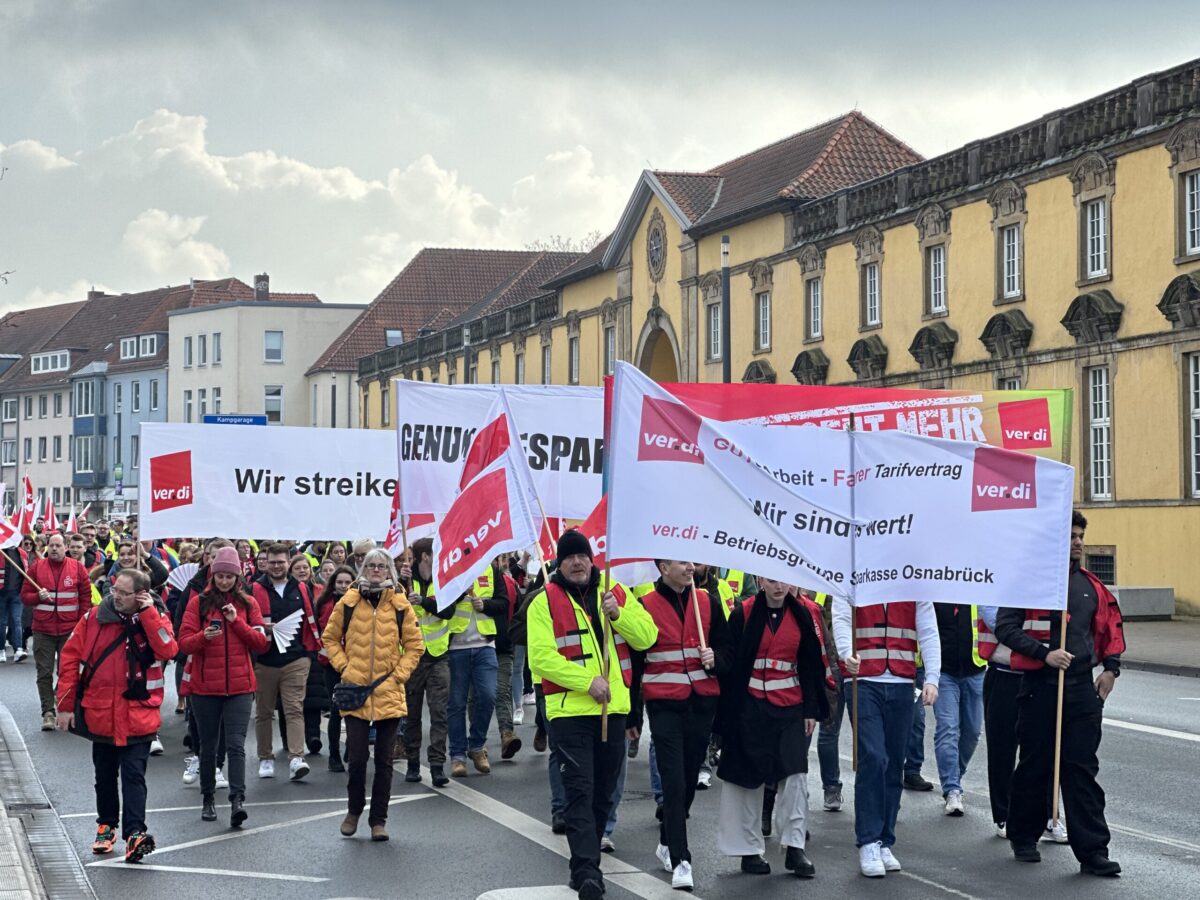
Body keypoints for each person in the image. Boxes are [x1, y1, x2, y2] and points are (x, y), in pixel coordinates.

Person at [527, 530, 658, 900]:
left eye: (582, 555)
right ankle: (588, 872)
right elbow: (541, 658)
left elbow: (647, 637)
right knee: (579, 793)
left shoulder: (614, 590)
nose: (577, 562)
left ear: (591, 558)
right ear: (559, 563)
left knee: (604, 794)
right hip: (570, 714)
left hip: (613, 711)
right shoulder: (544, 602)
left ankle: (583, 863)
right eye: (569, 557)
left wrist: (620, 617)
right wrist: (588, 682)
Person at [995, 511, 1124, 876]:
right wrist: (1044, 654)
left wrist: (1111, 669)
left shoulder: (1090, 586)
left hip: (1082, 689)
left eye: (1081, 536)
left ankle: (1093, 852)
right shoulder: (1028, 581)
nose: (1079, 542)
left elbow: (1110, 627)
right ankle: (1023, 836)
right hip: (1040, 688)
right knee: (1036, 765)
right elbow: (1006, 627)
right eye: (1071, 536)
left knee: (1080, 768)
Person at [55, 567, 178, 863]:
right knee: (105, 776)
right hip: (102, 713)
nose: (116, 597)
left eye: (123, 593)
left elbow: (168, 649)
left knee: (134, 776)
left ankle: (135, 834)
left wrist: (149, 614)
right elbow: (70, 659)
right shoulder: (94, 618)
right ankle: (107, 825)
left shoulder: (155, 617)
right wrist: (65, 706)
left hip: (139, 714)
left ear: (141, 595)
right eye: (114, 591)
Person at [716, 577, 829, 880]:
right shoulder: (743, 613)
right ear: (759, 581)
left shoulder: (803, 614)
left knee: (795, 775)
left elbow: (810, 665)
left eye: (784, 580)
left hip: (790, 706)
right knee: (747, 778)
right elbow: (731, 661)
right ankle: (749, 850)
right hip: (750, 705)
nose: (779, 587)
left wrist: (810, 710)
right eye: (771, 580)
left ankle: (794, 848)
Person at [635, 559, 732, 890]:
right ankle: (681, 859)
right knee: (674, 781)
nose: (691, 567)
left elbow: (729, 650)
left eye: (692, 561)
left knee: (690, 779)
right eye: (682, 562)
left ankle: (666, 838)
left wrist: (715, 659)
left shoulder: (707, 601)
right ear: (663, 568)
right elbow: (633, 666)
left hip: (702, 703)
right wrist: (633, 717)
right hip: (663, 706)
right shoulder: (644, 606)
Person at [834, 597, 940, 878]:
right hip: (863, 679)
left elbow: (928, 629)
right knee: (874, 757)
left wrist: (932, 678)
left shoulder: (913, 580)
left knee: (894, 764)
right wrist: (846, 653)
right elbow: (842, 617)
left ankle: (884, 839)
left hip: (902, 680)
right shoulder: (855, 570)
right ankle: (868, 840)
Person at [322, 549, 424, 841]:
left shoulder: (401, 605)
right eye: (372, 566)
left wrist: (399, 675)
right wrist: (345, 666)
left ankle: (378, 820)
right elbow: (330, 638)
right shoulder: (349, 602)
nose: (377, 570)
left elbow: (415, 646)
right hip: (356, 690)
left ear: (389, 570)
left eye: (382, 566)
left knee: (384, 761)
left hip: (389, 690)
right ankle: (354, 811)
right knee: (356, 758)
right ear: (362, 569)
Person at [177, 547, 268, 827]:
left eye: (230, 576)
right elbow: (184, 643)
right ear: (213, 575)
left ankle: (237, 800)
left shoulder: (249, 603)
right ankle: (207, 798)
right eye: (220, 576)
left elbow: (260, 643)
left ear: (237, 577)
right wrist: (204, 636)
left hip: (240, 687)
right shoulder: (198, 603)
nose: (225, 581)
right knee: (207, 746)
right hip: (205, 688)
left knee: (236, 746)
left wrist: (236, 622)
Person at [251, 542, 323, 781]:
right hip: (264, 659)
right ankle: (265, 757)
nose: (277, 566)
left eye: (281, 562)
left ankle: (296, 758)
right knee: (263, 712)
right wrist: (261, 627)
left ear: (288, 562)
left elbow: (311, 620)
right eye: (272, 562)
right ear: (265, 563)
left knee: (294, 709)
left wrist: (309, 652)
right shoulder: (254, 589)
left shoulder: (301, 588)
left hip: (296, 658)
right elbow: (246, 623)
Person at [22, 533, 91, 730]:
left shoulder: (77, 568)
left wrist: (82, 626)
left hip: (69, 631)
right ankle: (48, 713)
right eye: (51, 545)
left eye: (58, 546)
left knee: (66, 672)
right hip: (43, 630)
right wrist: (37, 596)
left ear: (66, 547)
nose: (54, 549)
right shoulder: (37, 568)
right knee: (43, 672)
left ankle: (61, 707)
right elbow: (25, 597)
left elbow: (85, 598)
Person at [446, 559, 507, 777]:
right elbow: (440, 605)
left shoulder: (491, 569)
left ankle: (477, 746)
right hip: (455, 647)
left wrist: (486, 605)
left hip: (485, 646)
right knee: (456, 704)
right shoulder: (448, 567)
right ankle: (457, 756)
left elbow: (503, 602)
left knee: (488, 696)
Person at [400, 538, 453, 786]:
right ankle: (412, 763)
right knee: (411, 715)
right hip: (412, 658)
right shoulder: (404, 582)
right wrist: (401, 583)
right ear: (424, 557)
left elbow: (449, 611)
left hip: (438, 656)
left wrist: (425, 602)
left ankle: (437, 765)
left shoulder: (442, 583)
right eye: (436, 553)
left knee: (439, 713)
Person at [932, 602, 986, 816]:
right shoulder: (935, 596)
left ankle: (955, 774)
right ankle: (952, 788)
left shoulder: (976, 590)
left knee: (973, 731)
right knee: (947, 728)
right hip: (944, 673)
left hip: (975, 670)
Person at [316, 565, 356, 772]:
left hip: (357, 663)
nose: (342, 586)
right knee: (336, 710)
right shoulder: (324, 603)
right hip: (332, 665)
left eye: (347, 582)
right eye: (339, 582)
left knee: (356, 709)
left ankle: (352, 747)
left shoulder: (361, 602)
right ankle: (334, 755)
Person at [0, 541, 29, 663]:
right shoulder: (1, 552)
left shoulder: (22, 553)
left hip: (17, 593)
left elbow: (27, 572)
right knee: (2, 622)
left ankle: (18, 649)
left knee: (17, 621)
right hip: (1, 593)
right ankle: (1, 650)